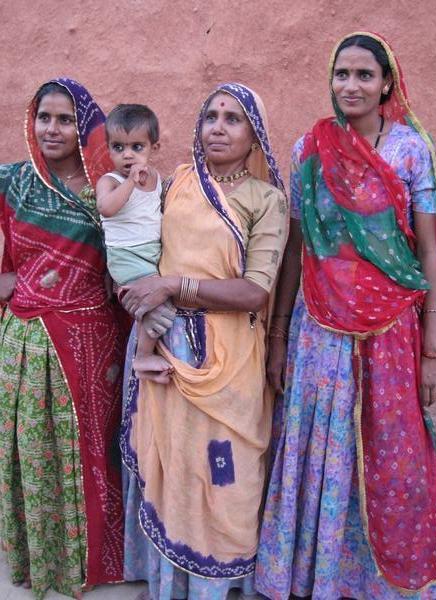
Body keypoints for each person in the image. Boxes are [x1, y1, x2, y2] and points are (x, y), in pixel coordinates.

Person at [255, 32, 436, 600]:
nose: (352, 86)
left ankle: (385, 584)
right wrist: (278, 338)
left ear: (387, 83)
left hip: (392, 329)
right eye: (343, 74)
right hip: (318, 327)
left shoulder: (410, 149)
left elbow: (431, 250)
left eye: (365, 75)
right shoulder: (308, 149)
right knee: (321, 448)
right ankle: (321, 578)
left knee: (394, 451)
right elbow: (296, 249)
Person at [120, 82, 288, 599]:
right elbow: (138, 239)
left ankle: (216, 586)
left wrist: (175, 285)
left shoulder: (267, 200)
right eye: (211, 116)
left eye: (233, 118)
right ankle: (170, 585)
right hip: (166, 344)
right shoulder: (177, 183)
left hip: (227, 356)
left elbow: (256, 291)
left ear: (253, 133)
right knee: (172, 464)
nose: (218, 126)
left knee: (224, 470)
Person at [0, 78, 128, 599]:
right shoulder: (13, 182)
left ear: (86, 127)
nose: (52, 129)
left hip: (90, 340)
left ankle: (93, 563)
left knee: (89, 450)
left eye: (65, 119)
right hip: (24, 339)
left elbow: (134, 258)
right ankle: (43, 563)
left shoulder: (110, 190)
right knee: (32, 453)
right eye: (43, 117)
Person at [96, 104, 172, 382]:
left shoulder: (157, 179)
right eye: (118, 147)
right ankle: (142, 357)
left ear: (155, 147)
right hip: (126, 257)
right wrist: (129, 181)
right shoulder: (111, 181)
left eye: (137, 147)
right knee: (157, 305)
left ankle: (150, 353)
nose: (127, 154)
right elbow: (107, 208)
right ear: (109, 149)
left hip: (150, 254)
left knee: (161, 301)